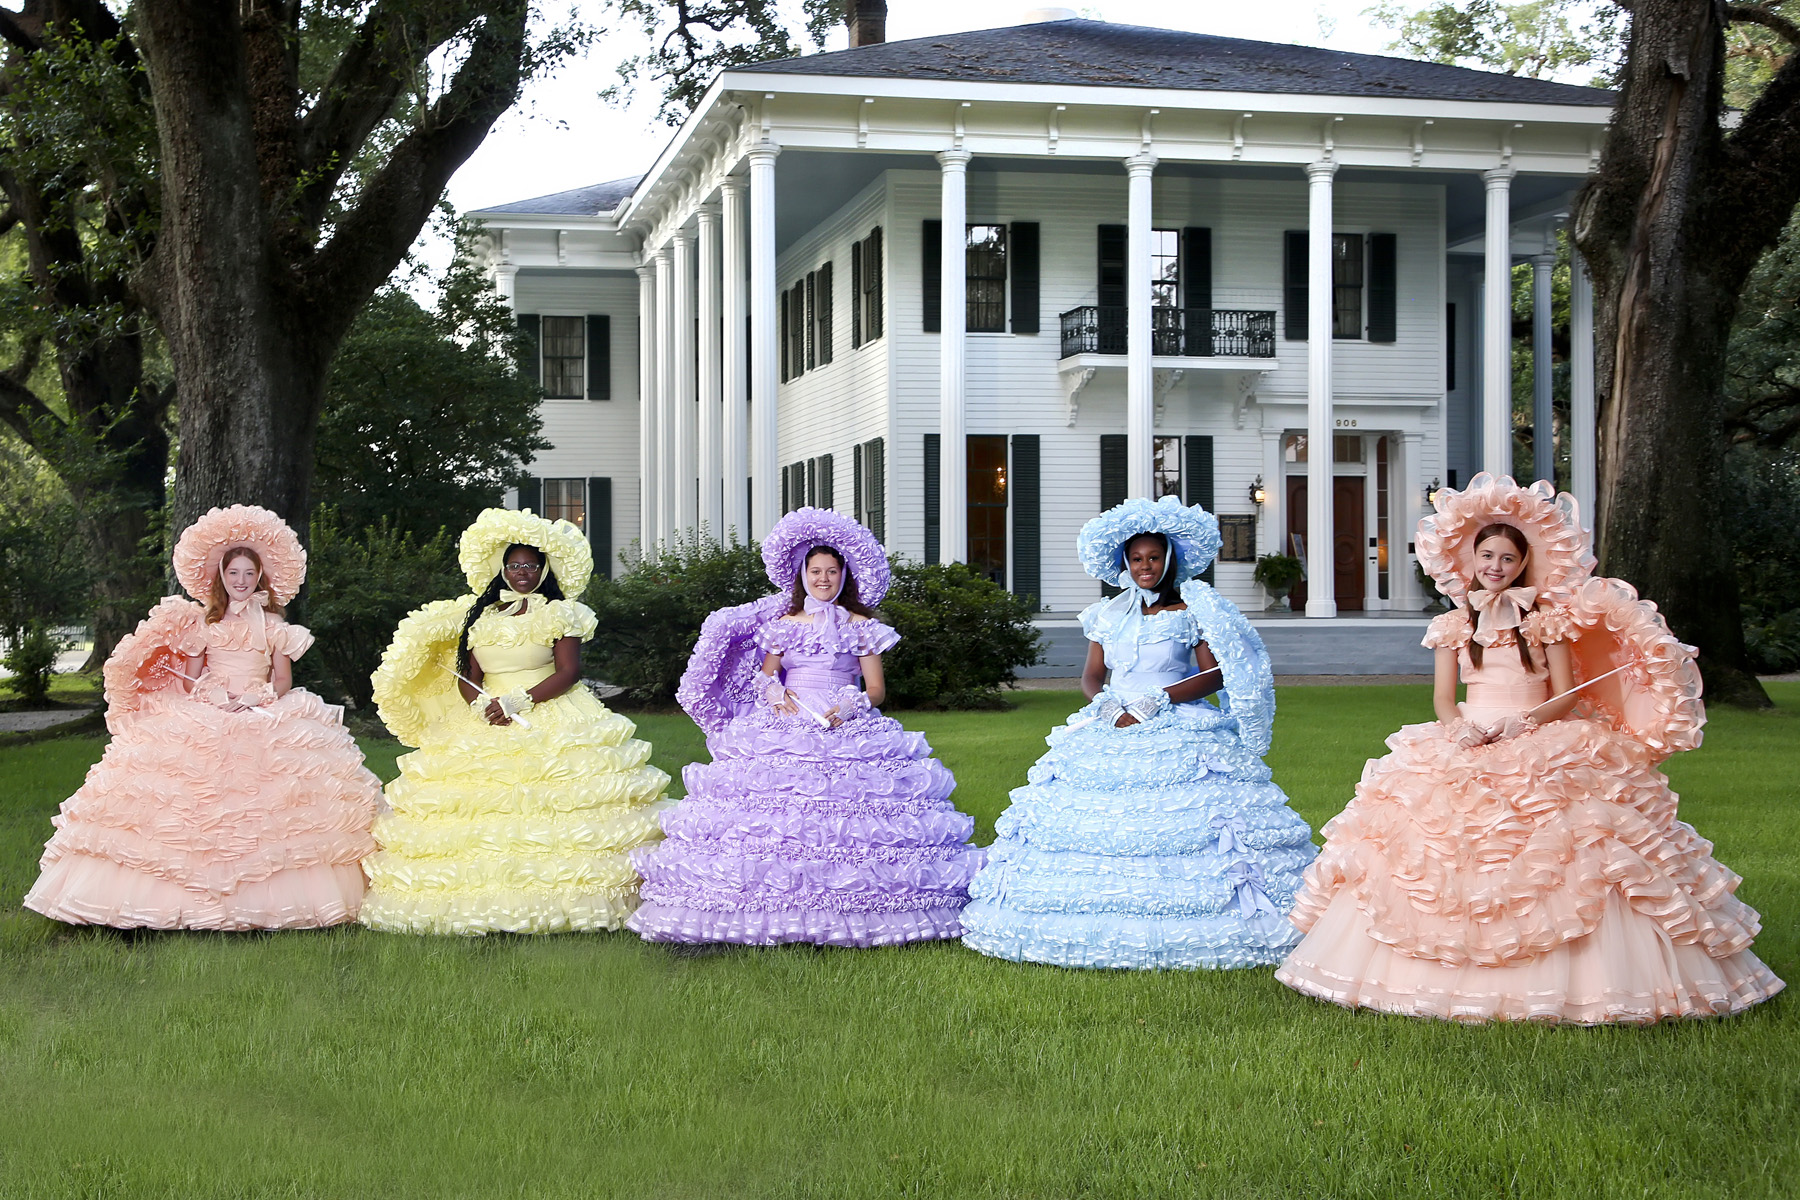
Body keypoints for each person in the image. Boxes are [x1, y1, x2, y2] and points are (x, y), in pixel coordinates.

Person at [1277, 473, 1785, 1022]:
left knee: (1577, 843)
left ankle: (1595, 979)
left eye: (1508, 559)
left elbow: (1566, 696)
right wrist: (1460, 730)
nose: (1496, 567)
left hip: (1537, 733)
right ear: (1470, 560)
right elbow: (1445, 698)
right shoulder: (1452, 624)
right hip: (1472, 732)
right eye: (1487, 555)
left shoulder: (1545, 622)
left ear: (1523, 565)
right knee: (1436, 850)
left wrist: (1527, 723)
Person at [960, 496, 1317, 969]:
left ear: (1168, 560)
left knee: (1185, 820)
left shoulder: (1191, 610)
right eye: (1136, 559)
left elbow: (1215, 675)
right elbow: (1091, 675)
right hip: (1111, 718)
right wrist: (1104, 703)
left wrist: (1165, 698)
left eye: (1152, 558)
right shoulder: (1107, 614)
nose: (1144, 567)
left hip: (1175, 718)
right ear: (1123, 563)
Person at [628, 507, 981, 946]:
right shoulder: (782, 626)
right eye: (816, 571)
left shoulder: (861, 627)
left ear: (844, 575)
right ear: (802, 574)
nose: (824, 580)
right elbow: (767, 674)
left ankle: (847, 904)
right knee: (774, 816)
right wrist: (774, 695)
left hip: (841, 719)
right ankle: (772, 905)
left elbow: (875, 689)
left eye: (832, 572)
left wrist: (851, 705)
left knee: (848, 818)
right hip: (787, 719)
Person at [24, 504, 380, 929]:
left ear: (260, 577)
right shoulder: (204, 625)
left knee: (279, 798)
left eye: (249, 573)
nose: (242, 581)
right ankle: (163, 901)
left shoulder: (274, 625)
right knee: (184, 800)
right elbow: (192, 680)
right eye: (234, 574)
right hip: (210, 706)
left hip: (261, 705)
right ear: (221, 578)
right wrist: (214, 695)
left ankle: (273, 901)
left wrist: (257, 698)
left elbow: (283, 678)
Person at [360, 508, 669, 935]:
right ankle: (476, 903)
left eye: (530, 564)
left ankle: (564, 902)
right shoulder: (481, 617)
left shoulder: (562, 613)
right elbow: (469, 675)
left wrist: (521, 701)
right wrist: (480, 705)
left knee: (556, 806)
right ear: (502, 569)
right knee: (474, 812)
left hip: (550, 706)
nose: (521, 571)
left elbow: (569, 672)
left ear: (543, 569)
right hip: (487, 714)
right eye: (514, 564)